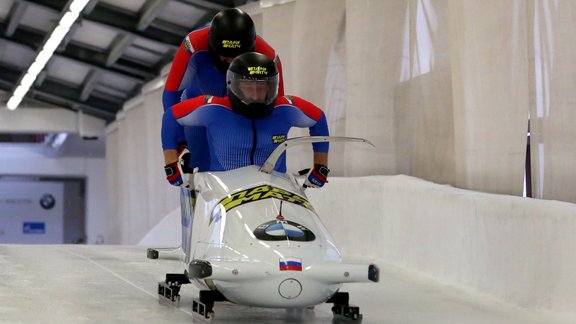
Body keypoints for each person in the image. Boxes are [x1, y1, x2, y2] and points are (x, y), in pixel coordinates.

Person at [162, 52, 329, 189]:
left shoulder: (284, 109)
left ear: (272, 88)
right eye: (248, 88)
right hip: (224, 193)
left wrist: (320, 167)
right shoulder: (214, 109)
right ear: (233, 85)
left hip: (275, 192)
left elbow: (318, 119)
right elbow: (171, 116)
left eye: (261, 88)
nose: (255, 95)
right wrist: (171, 163)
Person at [162, 8, 284, 172]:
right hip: (199, 112)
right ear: (212, 47)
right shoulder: (194, 44)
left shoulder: (268, 57)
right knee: (199, 166)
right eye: (225, 55)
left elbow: (277, 107)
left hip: (240, 117)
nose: (229, 62)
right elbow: (172, 93)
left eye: (237, 56)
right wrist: (179, 137)